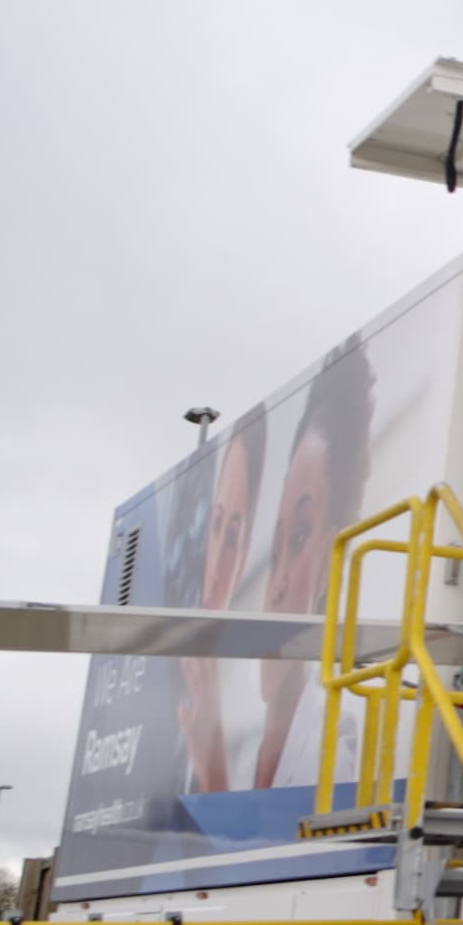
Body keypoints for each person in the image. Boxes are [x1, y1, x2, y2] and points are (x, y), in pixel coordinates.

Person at [250, 336, 376, 787]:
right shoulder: (250, 750)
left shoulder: (329, 770)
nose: (276, 585)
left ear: (330, 562)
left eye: (300, 536)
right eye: (279, 540)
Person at [173, 412, 268, 793]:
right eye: (216, 525)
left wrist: (211, 760)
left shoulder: (254, 696)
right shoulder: (165, 658)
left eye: (233, 536)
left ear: (245, 551)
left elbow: (241, 832)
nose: (217, 567)